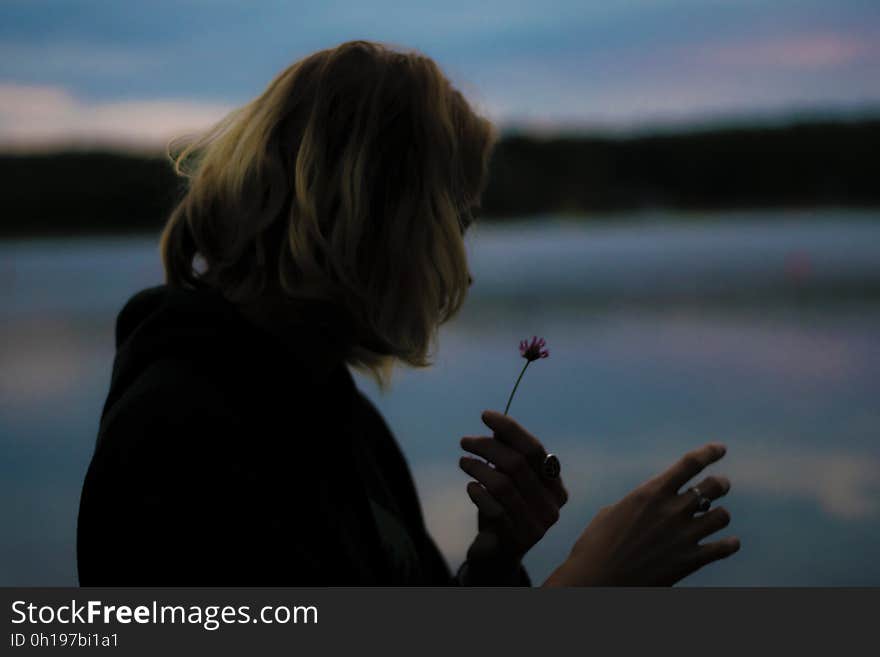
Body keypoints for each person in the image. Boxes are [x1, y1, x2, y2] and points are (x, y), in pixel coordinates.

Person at [76, 40, 740, 586]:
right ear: (372, 220)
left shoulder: (336, 413)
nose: (464, 266)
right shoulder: (178, 438)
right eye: (454, 219)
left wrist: (494, 562)